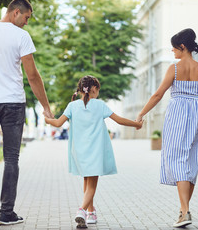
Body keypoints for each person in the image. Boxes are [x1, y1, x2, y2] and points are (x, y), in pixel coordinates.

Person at [0, 0, 53, 228]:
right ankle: (6, 213)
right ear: (15, 12)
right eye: (26, 18)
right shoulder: (20, 36)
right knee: (11, 158)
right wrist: (45, 106)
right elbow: (32, 76)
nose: (26, 23)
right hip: (13, 104)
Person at [136, 28, 198, 228]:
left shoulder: (173, 68)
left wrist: (141, 113)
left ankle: (185, 211)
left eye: (174, 48)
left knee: (177, 159)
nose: (172, 52)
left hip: (178, 112)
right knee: (190, 160)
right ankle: (183, 211)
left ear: (182, 47)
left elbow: (158, 95)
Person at [44, 75, 143, 228]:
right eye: (98, 90)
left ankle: (91, 212)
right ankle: (81, 210)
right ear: (94, 89)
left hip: (79, 151)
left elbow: (57, 123)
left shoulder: (73, 106)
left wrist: (47, 119)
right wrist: (136, 124)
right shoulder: (99, 105)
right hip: (95, 150)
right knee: (92, 184)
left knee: (86, 180)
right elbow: (119, 120)